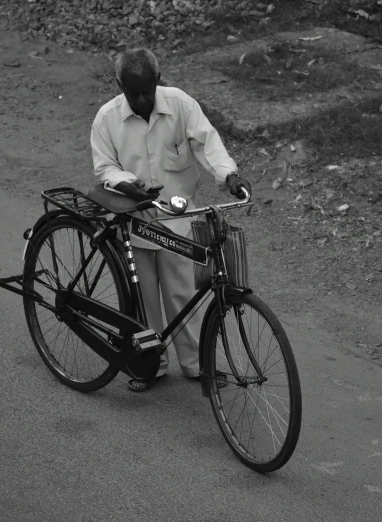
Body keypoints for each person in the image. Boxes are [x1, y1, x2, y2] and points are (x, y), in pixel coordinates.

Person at [90, 47, 251, 392]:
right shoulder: (107, 118)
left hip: (178, 220)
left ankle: (195, 365)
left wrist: (229, 176)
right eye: (132, 93)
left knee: (183, 295)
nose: (141, 99)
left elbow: (208, 143)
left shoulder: (180, 104)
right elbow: (104, 167)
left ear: (158, 81)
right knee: (144, 300)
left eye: (146, 90)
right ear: (119, 85)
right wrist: (129, 185)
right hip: (134, 220)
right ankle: (150, 364)